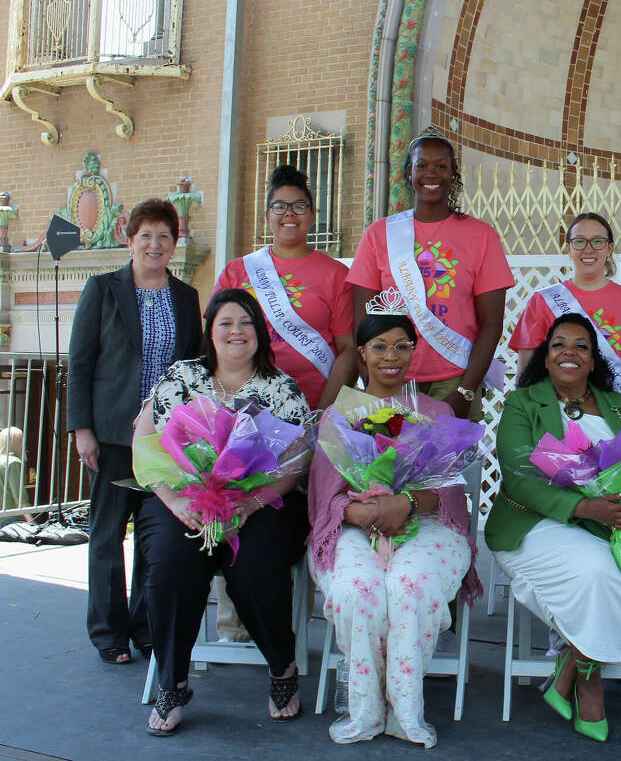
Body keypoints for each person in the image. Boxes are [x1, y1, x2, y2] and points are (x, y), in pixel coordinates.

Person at [486, 313, 621, 743]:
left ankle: (571, 666)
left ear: (594, 361)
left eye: (581, 346)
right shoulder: (523, 403)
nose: (569, 352)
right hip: (535, 523)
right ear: (546, 356)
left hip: (607, 522)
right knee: (597, 571)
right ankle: (590, 685)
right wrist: (586, 507)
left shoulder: (620, 406)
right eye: (559, 344)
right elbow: (519, 477)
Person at [135, 289, 311, 736]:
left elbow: (296, 460)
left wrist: (249, 504)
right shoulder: (181, 378)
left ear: (260, 333)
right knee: (174, 560)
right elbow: (145, 441)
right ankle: (173, 681)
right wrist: (176, 502)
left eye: (247, 322)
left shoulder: (280, 387)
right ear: (210, 331)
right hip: (183, 499)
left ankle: (281, 667)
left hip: (260, 502)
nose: (237, 331)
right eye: (226, 323)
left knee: (254, 565)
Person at [307, 308, 481, 747]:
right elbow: (324, 496)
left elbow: (450, 493)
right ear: (361, 353)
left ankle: (405, 710)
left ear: (413, 351)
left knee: (410, 587)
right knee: (356, 591)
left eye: (402, 346)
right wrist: (362, 511)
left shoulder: (437, 411)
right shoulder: (340, 414)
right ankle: (365, 710)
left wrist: (404, 502)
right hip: (355, 527)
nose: (391, 356)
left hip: (427, 526)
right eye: (380, 346)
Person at [66, 198, 203, 666]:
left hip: (165, 439)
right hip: (110, 435)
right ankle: (108, 630)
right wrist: (81, 429)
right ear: (129, 239)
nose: (154, 244)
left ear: (174, 242)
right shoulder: (103, 290)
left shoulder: (186, 297)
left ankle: (145, 625)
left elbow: (192, 367)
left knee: (154, 533)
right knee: (107, 533)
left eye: (164, 235)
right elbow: (80, 363)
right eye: (145, 234)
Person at [348, 126, 513, 421]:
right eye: (421, 165)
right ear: (408, 172)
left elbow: (491, 323)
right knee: (390, 466)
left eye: (441, 166)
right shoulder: (379, 234)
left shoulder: (482, 236)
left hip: (455, 378)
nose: (431, 174)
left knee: (453, 467)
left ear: (453, 174)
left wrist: (466, 390)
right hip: (391, 376)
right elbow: (362, 321)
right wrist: (374, 384)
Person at [215, 163, 355, 410]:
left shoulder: (337, 275)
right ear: (267, 216)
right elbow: (214, 337)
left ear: (313, 215)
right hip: (243, 406)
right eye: (279, 206)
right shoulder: (236, 271)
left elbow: (348, 349)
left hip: (312, 405)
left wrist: (323, 413)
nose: (289, 214)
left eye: (299, 206)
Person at [509, 212, 621, 429]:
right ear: (568, 248)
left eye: (598, 242)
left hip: (619, 420)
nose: (588, 249)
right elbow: (526, 377)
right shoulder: (542, 301)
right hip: (559, 422)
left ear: (609, 248)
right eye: (579, 241)